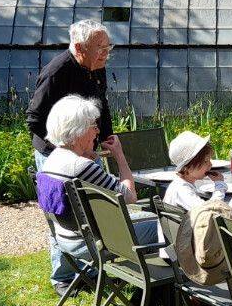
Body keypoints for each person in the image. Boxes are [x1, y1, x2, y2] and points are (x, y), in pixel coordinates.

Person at [36, 95, 154, 289]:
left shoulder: (52, 160)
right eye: (93, 126)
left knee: (145, 220)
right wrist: (120, 156)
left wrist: (86, 153)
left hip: (65, 239)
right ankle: (165, 290)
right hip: (93, 244)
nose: (97, 131)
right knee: (159, 226)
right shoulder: (81, 166)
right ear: (78, 130)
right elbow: (130, 197)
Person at [27, 20, 129, 178]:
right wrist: (67, 150)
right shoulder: (56, 73)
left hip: (88, 152)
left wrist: (105, 136)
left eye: (108, 47)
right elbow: (35, 119)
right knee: (66, 201)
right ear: (79, 47)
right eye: (100, 47)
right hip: (57, 156)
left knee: (94, 200)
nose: (106, 52)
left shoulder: (96, 67)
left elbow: (101, 103)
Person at [163, 130, 218, 212]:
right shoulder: (182, 189)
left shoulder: (181, 184)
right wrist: (220, 187)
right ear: (186, 167)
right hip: (181, 225)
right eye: (206, 161)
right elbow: (209, 211)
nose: (210, 165)